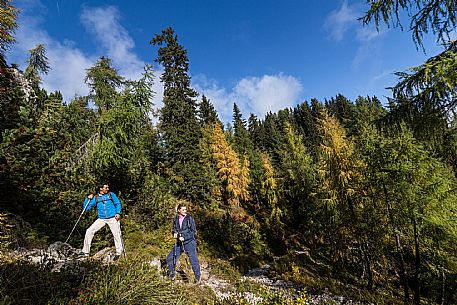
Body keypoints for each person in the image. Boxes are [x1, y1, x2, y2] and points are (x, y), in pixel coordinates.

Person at [77, 182, 123, 260]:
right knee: (89, 231)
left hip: (112, 218)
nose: (107, 189)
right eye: (106, 188)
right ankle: (85, 252)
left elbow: (117, 203)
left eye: (108, 188)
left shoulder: (111, 195)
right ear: (101, 188)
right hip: (101, 219)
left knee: (116, 235)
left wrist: (118, 213)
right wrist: (87, 199)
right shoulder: (96, 198)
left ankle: (119, 253)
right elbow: (86, 208)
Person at [165, 202, 201, 283]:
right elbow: (174, 229)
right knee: (169, 258)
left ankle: (197, 278)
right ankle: (171, 275)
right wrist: (175, 234)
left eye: (185, 209)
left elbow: (193, 231)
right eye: (183, 210)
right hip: (179, 243)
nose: (185, 211)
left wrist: (184, 237)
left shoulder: (189, 218)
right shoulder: (175, 219)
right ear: (178, 210)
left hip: (189, 243)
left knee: (193, 261)